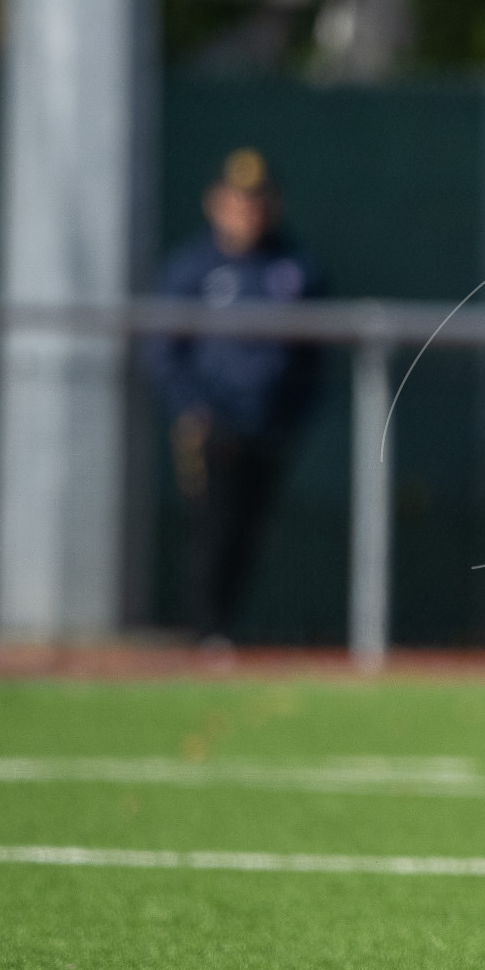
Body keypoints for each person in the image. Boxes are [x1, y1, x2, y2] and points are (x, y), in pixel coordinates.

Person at [144, 148, 325, 643]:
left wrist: (294, 412)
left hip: (267, 425)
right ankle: (209, 631)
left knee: (250, 530)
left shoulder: (292, 267)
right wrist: (190, 408)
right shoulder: (193, 268)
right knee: (214, 528)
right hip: (213, 424)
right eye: (239, 200)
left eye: (259, 201)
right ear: (216, 203)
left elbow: (314, 355)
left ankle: (225, 630)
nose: (249, 212)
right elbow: (163, 349)